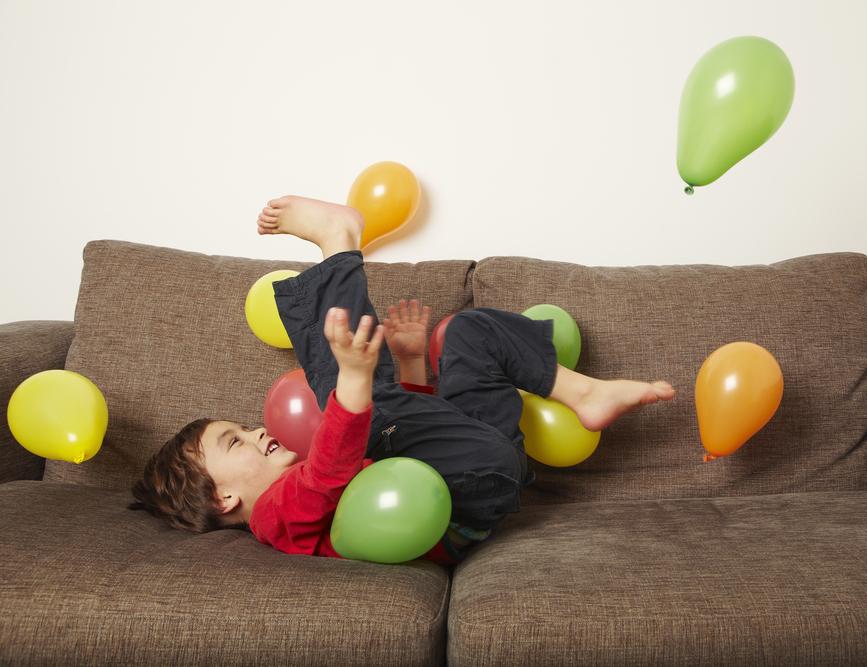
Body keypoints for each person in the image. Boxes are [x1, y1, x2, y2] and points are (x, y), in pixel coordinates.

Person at [129, 195, 677, 566]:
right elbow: (330, 471)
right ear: (224, 497)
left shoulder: (296, 486)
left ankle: (582, 392)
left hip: (481, 463)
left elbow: (421, 436)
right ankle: (339, 244)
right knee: (352, 411)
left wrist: (412, 367)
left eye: (243, 427)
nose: (255, 432)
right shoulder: (275, 516)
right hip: (462, 500)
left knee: (466, 332)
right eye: (236, 441)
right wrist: (353, 379)